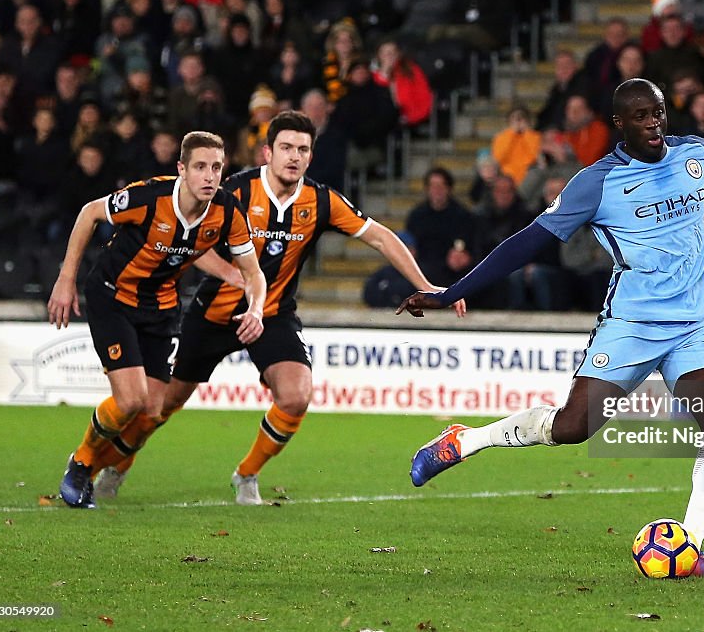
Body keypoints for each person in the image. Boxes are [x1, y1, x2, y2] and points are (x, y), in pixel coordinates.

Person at [396, 79, 704, 578]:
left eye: (658, 112)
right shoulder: (596, 183)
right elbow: (527, 243)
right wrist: (453, 291)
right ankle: (465, 441)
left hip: (695, 323)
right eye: (640, 116)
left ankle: (689, 547)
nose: (653, 122)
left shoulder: (695, 155)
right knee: (573, 428)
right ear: (619, 123)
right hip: (632, 324)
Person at [91, 112, 464, 505]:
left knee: (296, 394)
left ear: (311, 156)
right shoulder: (232, 191)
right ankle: (114, 466)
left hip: (272, 315)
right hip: (215, 314)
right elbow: (193, 246)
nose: (294, 156)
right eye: (286, 147)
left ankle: (247, 474)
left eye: (303, 149)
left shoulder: (321, 201)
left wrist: (426, 286)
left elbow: (382, 239)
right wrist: (236, 278)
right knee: (160, 406)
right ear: (268, 151)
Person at [49, 131, 267, 509]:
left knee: (151, 410)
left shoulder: (228, 211)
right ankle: (81, 463)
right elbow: (89, 213)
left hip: (162, 306)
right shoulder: (149, 196)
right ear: (182, 169)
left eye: (216, 167)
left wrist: (257, 307)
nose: (209, 176)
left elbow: (254, 272)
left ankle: (105, 469)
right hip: (113, 297)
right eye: (200, 167)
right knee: (131, 399)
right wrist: (65, 280)